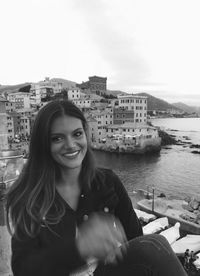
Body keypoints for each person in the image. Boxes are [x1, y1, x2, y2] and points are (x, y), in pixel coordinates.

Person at [6, 100, 187, 276]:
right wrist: (79, 248)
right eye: (57, 138)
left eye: (77, 134)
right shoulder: (30, 197)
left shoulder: (107, 182)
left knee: (156, 244)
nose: (70, 144)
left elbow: (138, 241)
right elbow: (23, 269)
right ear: (43, 144)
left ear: (86, 134)